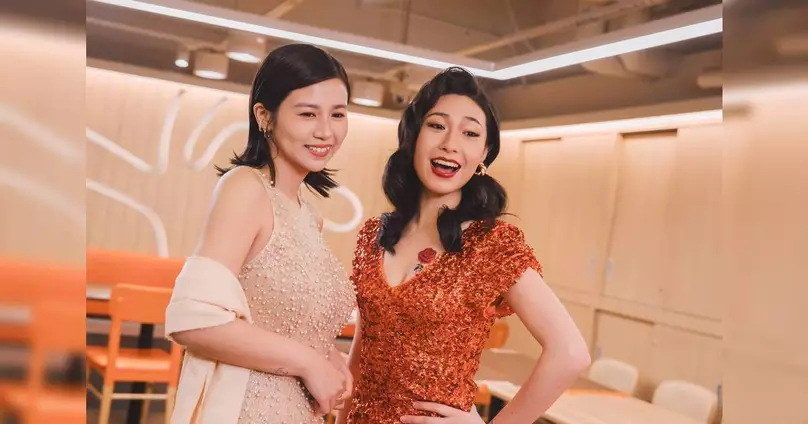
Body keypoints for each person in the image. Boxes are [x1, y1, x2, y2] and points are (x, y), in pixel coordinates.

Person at [336, 67, 591, 424]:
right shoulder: (373, 236)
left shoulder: (491, 245)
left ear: (484, 153)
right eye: (437, 125)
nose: (451, 144)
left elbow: (570, 353)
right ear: (412, 136)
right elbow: (361, 355)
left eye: (470, 133)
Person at [164, 43, 356, 424]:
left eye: (337, 114)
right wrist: (308, 362)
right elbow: (193, 319)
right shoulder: (245, 188)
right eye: (307, 114)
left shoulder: (308, 214)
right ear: (264, 115)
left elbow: (279, 320)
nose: (326, 131)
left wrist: (327, 355)